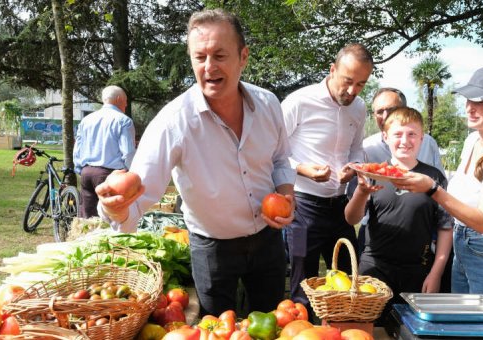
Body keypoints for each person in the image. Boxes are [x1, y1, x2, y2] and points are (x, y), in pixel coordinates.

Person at [95, 9, 296, 317]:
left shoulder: (268, 104)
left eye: (219, 55)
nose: (209, 67)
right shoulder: (174, 121)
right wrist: (116, 206)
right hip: (212, 249)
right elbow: (140, 190)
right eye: (199, 57)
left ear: (243, 57)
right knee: (215, 329)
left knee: (272, 324)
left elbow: (281, 158)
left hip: (268, 241)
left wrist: (285, 193)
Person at [395, 65, 483, 307]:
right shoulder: (472, 140)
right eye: (469, 99)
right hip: (464, 245)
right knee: (465, 326)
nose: (470, 107)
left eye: (481, 101)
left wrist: (432, 189)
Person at [281, 43, 373, 309]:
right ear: (332, 70)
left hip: (340, 207)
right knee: (302, 288)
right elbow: (272, 151)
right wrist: (302, 169)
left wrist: (353, 166)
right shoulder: (299, 101)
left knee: (349, 282)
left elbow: (356, 148)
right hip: (303, 205)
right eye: (348, 81)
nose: (353, 91)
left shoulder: (359, 108)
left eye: (361, 84)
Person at [345, 107, 452, 323]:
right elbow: (351, 218)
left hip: (418, 270)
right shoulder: (373, 173)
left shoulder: (433, 177)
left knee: (411, 328)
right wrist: (361, 192)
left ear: (422, 138)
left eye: (412, 134)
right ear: (386, 137)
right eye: (398, 134)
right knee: (369, 328)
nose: (405, 140)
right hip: (374, 267)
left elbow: (445, 228)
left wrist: (436, 273)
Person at [73, 85, 136, 218]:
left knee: (88, 219)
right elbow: (129, 153)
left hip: (87, 173)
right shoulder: (124, 121)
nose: (125, 106)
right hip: (110, 175)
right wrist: (132, 174)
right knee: (111, 219)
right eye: (125, 102)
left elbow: (77, 148)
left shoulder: (86, 120)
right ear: (119, 99)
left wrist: (80, 169)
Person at [363, 88, 444, 173]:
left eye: (392, 110)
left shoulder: (428, 144)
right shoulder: (366, 148)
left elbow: (440, 182)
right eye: (380, 112)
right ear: (374, 116)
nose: (385, 116)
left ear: (405, 110)